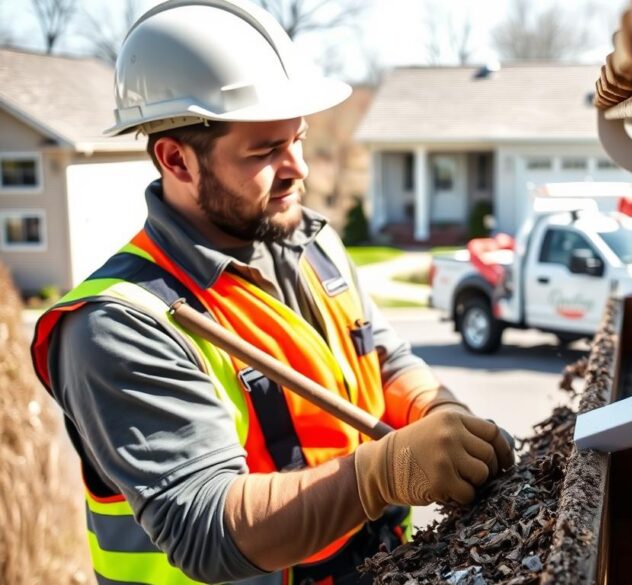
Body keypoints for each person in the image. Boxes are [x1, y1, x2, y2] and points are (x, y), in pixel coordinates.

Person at [29, 1, 514, 583]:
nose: (298, 169)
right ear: (175, 159)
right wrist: (382, 475)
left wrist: (440, 414)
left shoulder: (308, 240)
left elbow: (379, 356)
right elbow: (204, 528)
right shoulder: (117, 324)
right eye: (265, 151)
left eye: (299, 139)